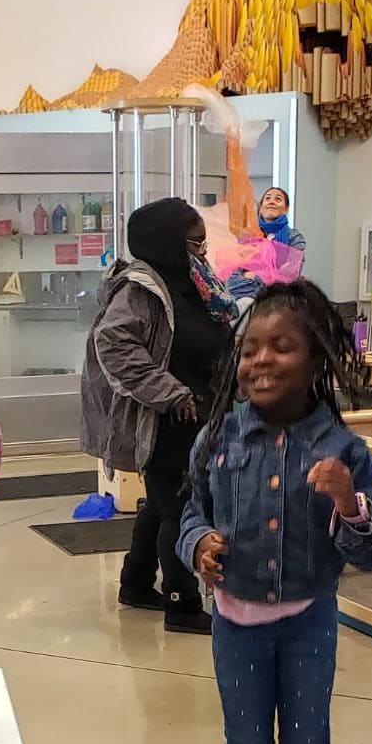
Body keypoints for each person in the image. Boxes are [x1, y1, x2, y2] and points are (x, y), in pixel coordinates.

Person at [177, 280, 372, 744]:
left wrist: (348, 505)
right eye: (250, 349)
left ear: (318, 359)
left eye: (281, 347)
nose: (260, 360)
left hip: (308, 622)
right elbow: (194, 507)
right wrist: (197, 544)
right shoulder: (217, 440)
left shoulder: (343, 450)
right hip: (234, 624)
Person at [80, 197, 237, 635]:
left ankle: (135, 582)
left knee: (162, 503)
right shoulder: (142, 289)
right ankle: (182, 604)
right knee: (181, 508)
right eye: (194, 243)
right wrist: (170, 393)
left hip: (202, 414)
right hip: (168, 422)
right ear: (167, 243)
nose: (203, 252)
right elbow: (112, 345)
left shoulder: (197, 286)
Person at [226, 186, 308, 306]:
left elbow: (288, 276)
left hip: (281, 303)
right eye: (267, 198)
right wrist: (268, 281)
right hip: (247, 301)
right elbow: (233, 282)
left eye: (278, 199)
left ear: (286, 209)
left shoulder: (295, 238)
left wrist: (254, 276)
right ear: (261, 207)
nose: (272, 201)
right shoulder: (246, 238)